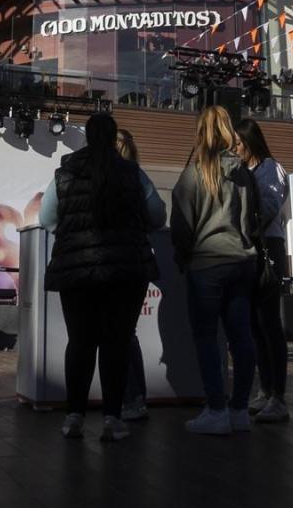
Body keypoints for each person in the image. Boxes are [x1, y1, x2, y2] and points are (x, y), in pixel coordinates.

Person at [38, 114, 159, 441]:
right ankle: (112, 418)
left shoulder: (65, 172)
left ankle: (73, 417)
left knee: (80, 341)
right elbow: (158, 215)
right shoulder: (133, 173)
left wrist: (73, 235)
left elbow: (46, 217)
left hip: (76, 270)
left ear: (87, 137)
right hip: (125, 269)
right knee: (116, 343)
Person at [170, 105, 260, 435]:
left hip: (206, 264)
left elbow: (180, 225)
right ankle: (239, 410)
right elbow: (253, 218)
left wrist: (184, 256)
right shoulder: (244, 173)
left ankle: (216, 408)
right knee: (241, 337)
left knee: (207, 338)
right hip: (242, 261)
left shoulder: (194, 173)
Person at [235, 118, 291, 423]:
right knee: (255, 324)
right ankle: (265, 388)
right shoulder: (244, 171)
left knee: (269, 322)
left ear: (251, 142)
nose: (235, 148)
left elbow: (270, 206)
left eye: (239, 143)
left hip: (268, 246)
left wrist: (245, 222)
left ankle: (278, 395)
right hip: (250, 247)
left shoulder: (271, 168)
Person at [114, 129, 166, 422]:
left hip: (102, 261)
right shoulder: (138, 177)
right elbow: (158, 215)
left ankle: (121, 398)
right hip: (133, 261)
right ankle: (133, 398)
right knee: (125, 333)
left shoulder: (93, 173)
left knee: (103, 334)